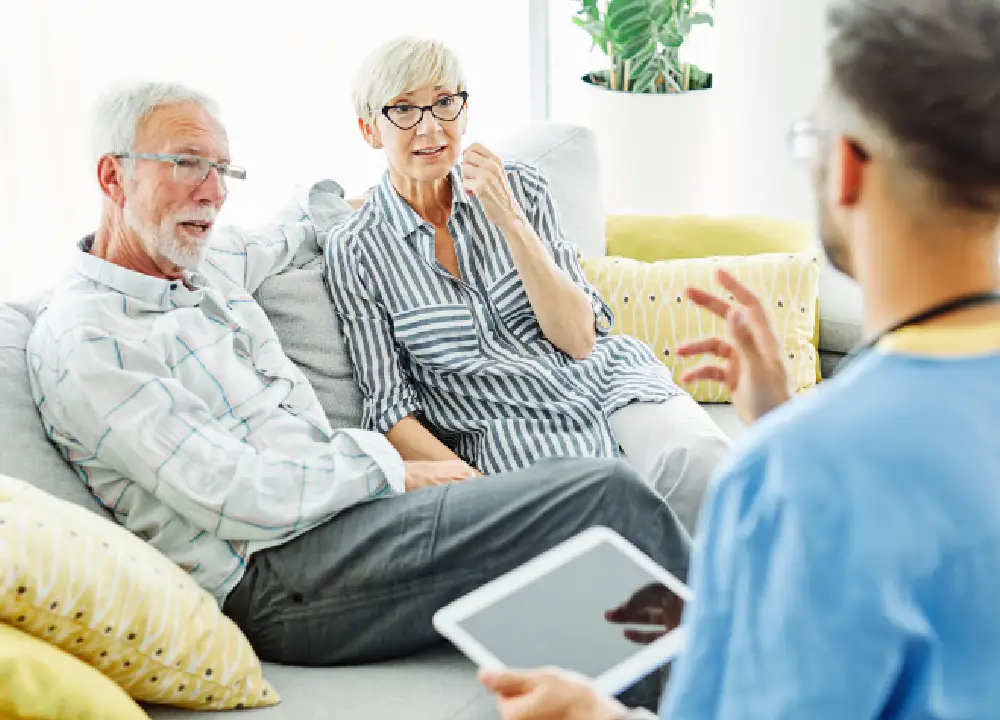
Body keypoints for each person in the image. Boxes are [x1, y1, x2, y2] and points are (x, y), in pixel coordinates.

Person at [25, 80, 694, 668]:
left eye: (225, 171)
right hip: (280, 577)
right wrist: (393, 467)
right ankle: (756, 681)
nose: (214, 192)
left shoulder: (202, 264)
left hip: (347, 521)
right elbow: (231, 490)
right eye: (189, 164)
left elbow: (291, 226)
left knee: (593, 593)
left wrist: (368, 202)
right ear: (112, 178)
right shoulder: (89, 341)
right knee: (605, 495)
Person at [478, 0, 1000, 717]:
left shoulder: (794, 474)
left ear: (846, 168)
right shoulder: (808, 461)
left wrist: (595, 713)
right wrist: (787, 422)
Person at [325, 37, 730, 536]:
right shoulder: (356, 247)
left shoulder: (520, 187)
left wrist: (511, 221)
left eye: (445, 102)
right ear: (370, 130)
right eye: (404, 109)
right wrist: (476, 489)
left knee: (711, 469)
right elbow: (388, 408)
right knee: (598, 538)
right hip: (507, 431)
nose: (430, 126)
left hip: (607, 384)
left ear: (464, 112)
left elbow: (580, 340)